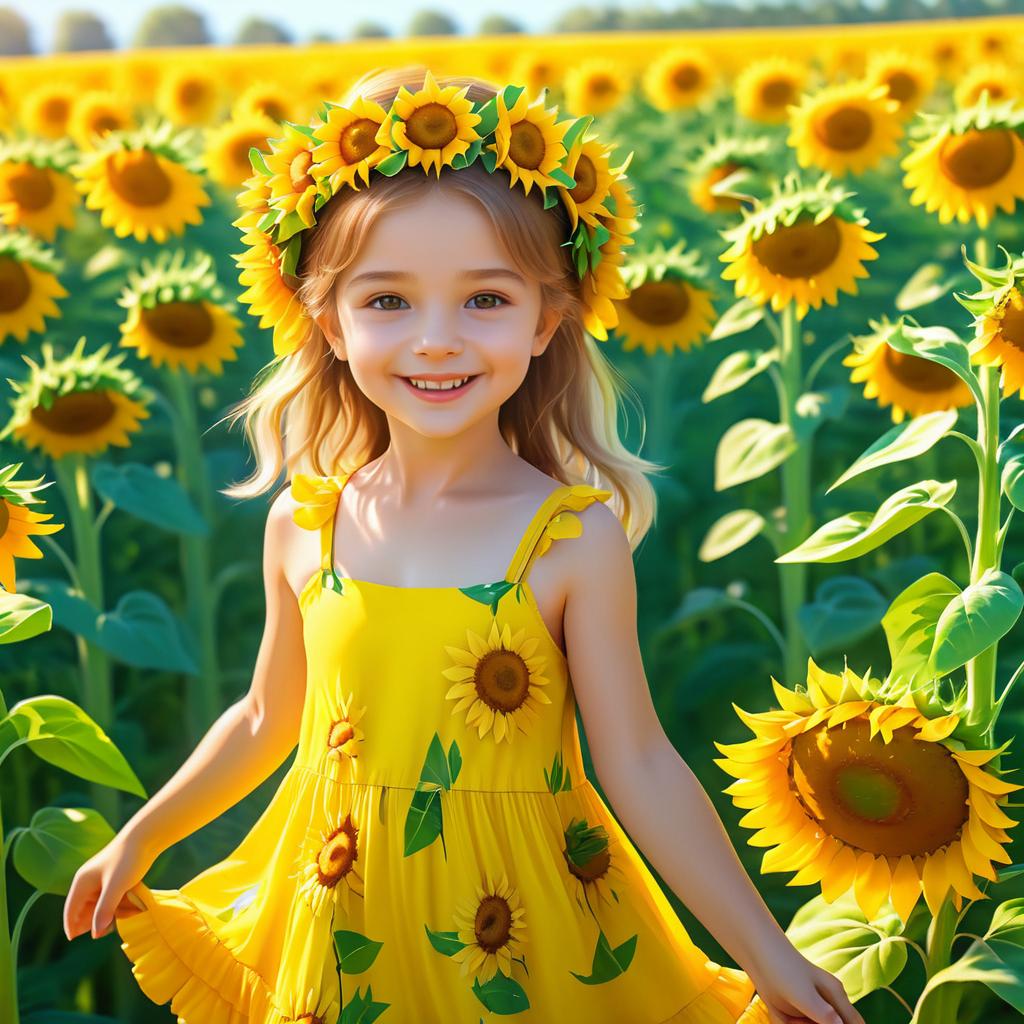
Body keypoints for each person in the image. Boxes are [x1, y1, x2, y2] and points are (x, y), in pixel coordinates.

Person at [63, 66, 865, 1024]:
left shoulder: (570, 540)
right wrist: (141, 837)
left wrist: (766, 951)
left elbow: (640, 762)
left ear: (546, 320)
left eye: (484, 300)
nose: (436, 341)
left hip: (526, 931)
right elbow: (265, 719)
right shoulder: (304, 523)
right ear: (329, 322)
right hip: (342, 911)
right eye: (388, 302)